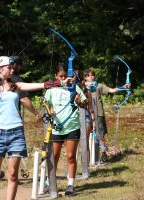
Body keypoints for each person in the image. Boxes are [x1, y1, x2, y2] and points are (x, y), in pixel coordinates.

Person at [0, 56, 72, 200]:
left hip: (16, 134)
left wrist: (60, 82)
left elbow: (39, 85)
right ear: (0, 69)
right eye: (9, 67)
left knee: (12, 174)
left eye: (13, 67)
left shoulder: (16, 85)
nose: (13, 69)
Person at [44, 64, 87, 196]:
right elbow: (45, 103)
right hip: (58, 127)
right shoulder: (51, 89)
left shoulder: (74, 87)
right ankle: (49, 182)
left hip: (72, 126)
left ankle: (70, 185)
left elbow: (84, 104)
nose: (63, 78)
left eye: (66, 76)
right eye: (61, 76)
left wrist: (79, 102)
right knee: (54, 156)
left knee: (70, 156)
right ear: (56, 77)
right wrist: (49, 108)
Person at [84, 68, 131, 163]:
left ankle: (104, 153)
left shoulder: (99, 86)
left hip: (99, 114)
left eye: (92, 75)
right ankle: (86, 159)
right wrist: (85, 84)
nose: (91, 77)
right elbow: (72, 84)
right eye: (88, 75)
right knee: (85, 135)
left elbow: (112, 90)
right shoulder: (82, 87)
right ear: (85, 77)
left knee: (100, 134)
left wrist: (124, 87)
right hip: (86, 114)